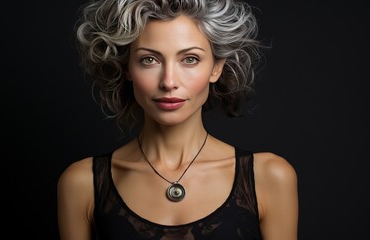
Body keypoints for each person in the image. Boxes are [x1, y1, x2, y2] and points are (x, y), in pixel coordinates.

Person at [57, 0, 298, 239]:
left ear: (216, 68)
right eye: (149, 59)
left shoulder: (269, 177)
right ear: (127, 67)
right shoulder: (81, 184)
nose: (169, 81)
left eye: (190, 59)